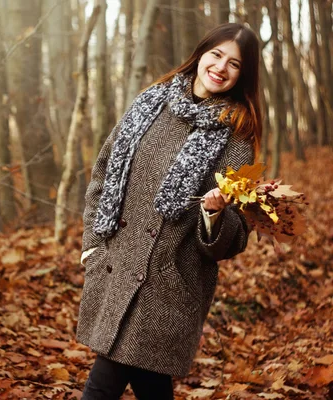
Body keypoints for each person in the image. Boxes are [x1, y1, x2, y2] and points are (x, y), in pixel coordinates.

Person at [76, 23, 262, 400]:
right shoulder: (150, 103)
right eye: (216, 55)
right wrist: (92, 245)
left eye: (235, 64)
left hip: (168, 286)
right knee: (149, 384)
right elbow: (103, 174)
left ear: (244, 75)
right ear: (201, 54)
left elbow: (235, 237)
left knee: (102, 386)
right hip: (115, 268)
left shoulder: (236, 136)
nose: (221, 68)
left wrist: (214, 215)